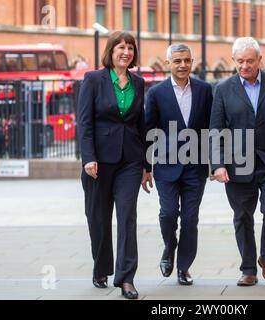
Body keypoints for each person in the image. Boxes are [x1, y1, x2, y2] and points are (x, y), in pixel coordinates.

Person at [209, 37, 265, 286]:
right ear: (234, 61)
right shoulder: (223, 89)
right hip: (237, 163)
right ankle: (248, 268)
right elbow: (215, 130)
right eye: (240, 61)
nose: (245, 66)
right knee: (242, 216)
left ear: (260, 60)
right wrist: (217, 164)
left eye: (250, 61)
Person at [77, 31, 146, 299]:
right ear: (111, 51)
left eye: (130, 48)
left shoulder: (138, 83)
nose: (126, 52)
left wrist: (146, 164)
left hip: (130, 160)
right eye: (121, 47)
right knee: (98, 218)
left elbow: (141, 124)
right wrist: (88, 157)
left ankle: (126, 278)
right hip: (99, 161)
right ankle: (101, 267)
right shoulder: (93, 80)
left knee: (127, 216)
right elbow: (84, 122)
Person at [143, 43, 213, 285]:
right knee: (168, 213)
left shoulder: (205, 90)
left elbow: (211, 129)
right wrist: (145, 167)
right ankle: (169, 246)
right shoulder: (156, 93)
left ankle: (184, 267)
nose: (182, 65)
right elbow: (149, 131)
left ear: (191, 62)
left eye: (186, 60)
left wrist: (215, 162)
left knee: (191, 219)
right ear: (168, 64)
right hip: (165, 166)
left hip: (196, 167)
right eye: (177, 61)